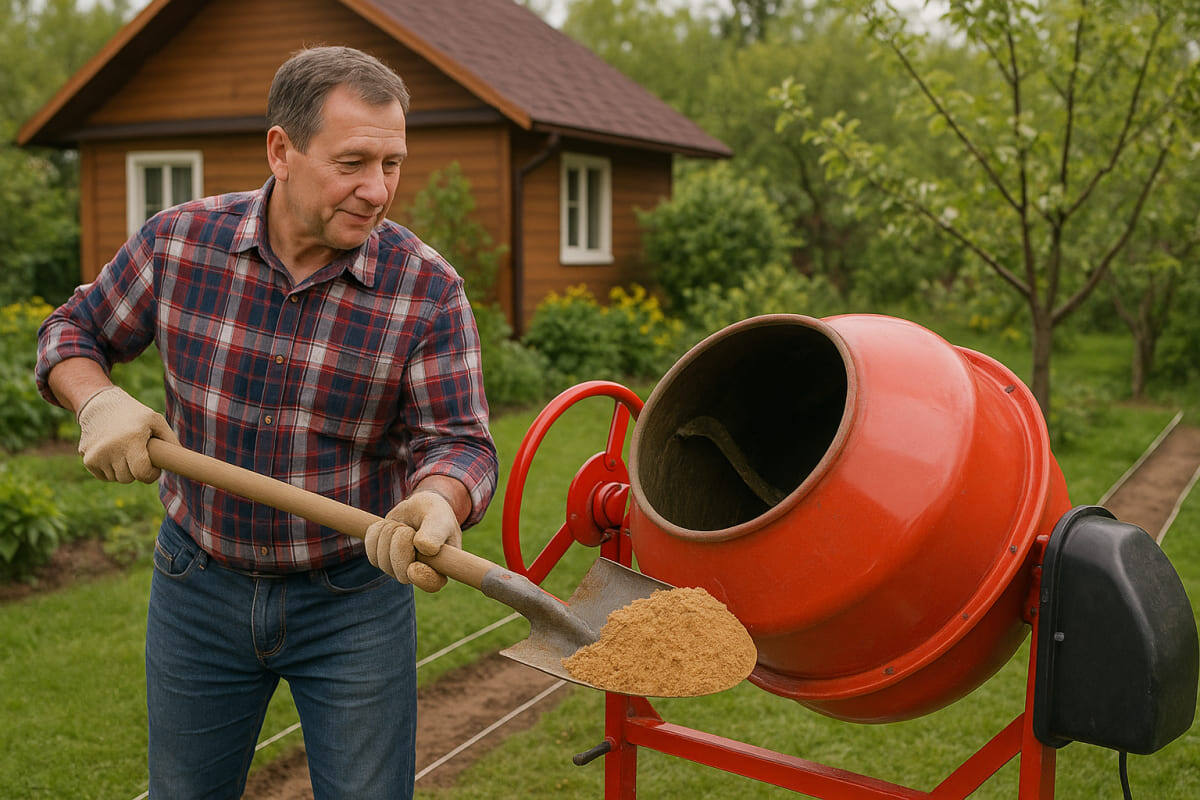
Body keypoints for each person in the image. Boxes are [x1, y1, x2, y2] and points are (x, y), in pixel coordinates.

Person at [35, 46, 498, 799]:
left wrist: (440, 498)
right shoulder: (179, 243)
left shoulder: (427, 289)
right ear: (281, 150)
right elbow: (71, 332)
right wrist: (94, 398)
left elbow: (460, 441)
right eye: (353, 162)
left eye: (393, 164)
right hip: (198, 586)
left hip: (353, 601)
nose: (378, 190)